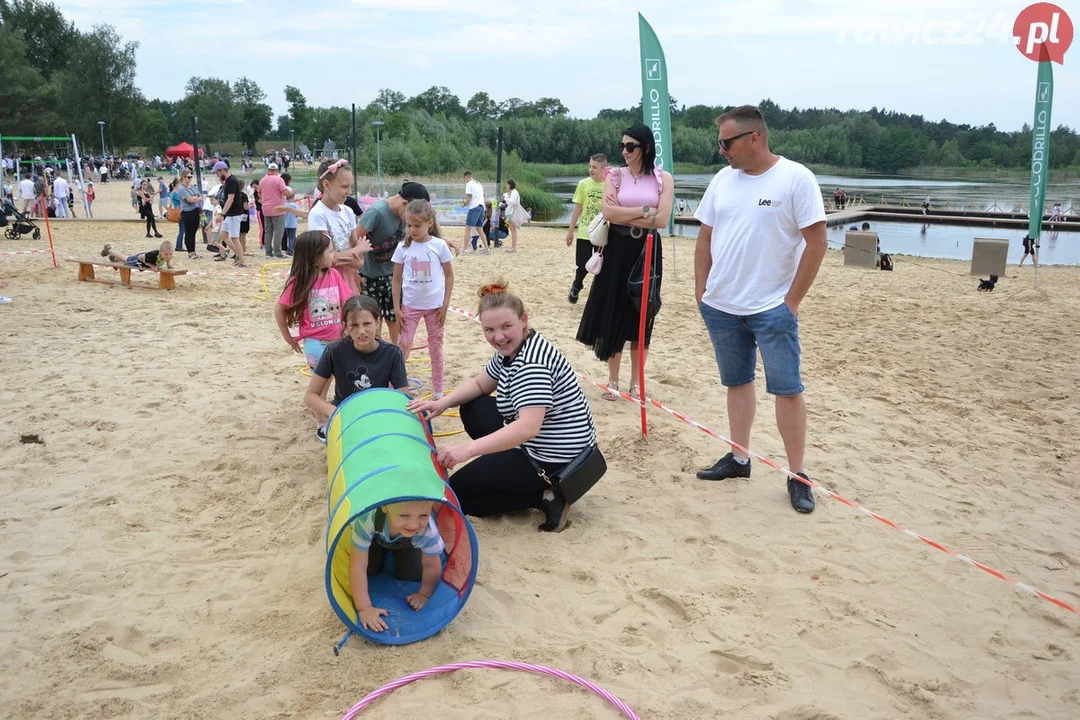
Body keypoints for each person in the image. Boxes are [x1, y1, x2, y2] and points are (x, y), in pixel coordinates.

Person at [692, 104, 827, 515]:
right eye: (719, 143)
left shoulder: (796, 178)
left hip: (772, 307)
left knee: (787, 390)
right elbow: (704, 238)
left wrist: (791, 302)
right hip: (722, 304)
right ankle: (739, 459)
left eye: (726, 142)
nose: (721, 151)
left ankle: (798, 475)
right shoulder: (722, 180)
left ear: (754, 137)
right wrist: (702, 292)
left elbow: (817, 243)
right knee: (737, 383)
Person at [409, 281, 599, 533]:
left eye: (506, 327)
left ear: (523, 320)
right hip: (546, 439)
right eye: (489, 329)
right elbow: (480, 384)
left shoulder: (532, 366)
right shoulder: (517, 346)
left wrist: (467, 451)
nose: (498, 337)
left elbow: (527, 429)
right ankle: (504, 470)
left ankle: (546, 496)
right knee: (471, 406)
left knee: (459, 496)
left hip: (553, 458)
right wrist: (441, 403)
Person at [575, 123, 674, 402]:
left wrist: (625, 213)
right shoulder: (614, 176)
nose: (625, 151)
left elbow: (663, 219)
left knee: (642, 315)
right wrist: (644, 211)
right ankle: (614, 381)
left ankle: (636, 383)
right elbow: (608, 212)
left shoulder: (662, 178)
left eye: (631, 146)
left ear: (645, 148)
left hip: (648, 249)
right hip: (617, 248)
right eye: (622, 146)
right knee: (614, 311)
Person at [304, 294, 409, 440]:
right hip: (345, 413)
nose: (361, 331)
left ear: (378, 323)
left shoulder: (392, 353)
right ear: (345, 327)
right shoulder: (335, 351)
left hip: (378, 413)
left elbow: (402, 397)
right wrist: (334, 412)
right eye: (354, 325)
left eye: (367, 324)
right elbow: (310, 396)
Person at [346, 500, 445, 633]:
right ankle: (381, 551)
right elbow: (358, 566)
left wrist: (424, 594)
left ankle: (397, 548)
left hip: (407, 543)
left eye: (423, 515)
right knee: (371, 569)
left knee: (412, 575)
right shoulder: (367, 518)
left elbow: (431, 565)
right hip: (374, 539)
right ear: (385, 506)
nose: (413, 524)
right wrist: (364, 608)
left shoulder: (426, 530)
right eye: (404, 515)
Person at [355, 181, 433, 345]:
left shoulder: (405, 215)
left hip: (391, 276)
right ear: (405, 203)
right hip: (368, 276)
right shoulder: (377, 212)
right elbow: (354, 239)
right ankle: (375, 355)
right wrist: (354, 272)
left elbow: (424, 233)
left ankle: (396, 355)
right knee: (373, 319)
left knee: (395, 317)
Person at [392, 200, 454, 399]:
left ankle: (438, 390)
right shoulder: (403, 247)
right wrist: (397, 308)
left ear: (429, 223)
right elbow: (396, 279)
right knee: (403, 345)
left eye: (417, 225)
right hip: (409, 306)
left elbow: (449, 276)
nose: (412, 230)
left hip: (435, 307)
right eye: (409, 225)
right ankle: (396, 387)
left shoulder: (439, 245)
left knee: (435, 347)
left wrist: (445, 305)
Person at [275, 229, 355, 375]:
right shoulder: (298, 282)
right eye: (330, 251)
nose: (334, 254)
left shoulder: (334, 275)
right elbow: (280, 309)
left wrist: (350, 327)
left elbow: (347, 302)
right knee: (320, 384)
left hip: (340, 340)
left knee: (344, 380)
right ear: (317, 257)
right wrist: (287, 336)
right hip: (315, 343)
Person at [306, 159, 371, 295]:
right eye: (344, 186)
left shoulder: (347, 211)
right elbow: (325, 258)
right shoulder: (318, 214)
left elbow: (355, 251)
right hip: (327, 279)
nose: (349, 191)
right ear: (327, 185)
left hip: (347, 276)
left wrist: (357, 264)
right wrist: (359, 249)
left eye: (350, 186)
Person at [564, 154, 607, 304]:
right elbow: (577, 209)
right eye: (590, 166)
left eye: (594, 167)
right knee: (582, 265)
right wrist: (570, 231)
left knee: (601, 266)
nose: (591, 169)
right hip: (584, 232)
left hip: (602, 233)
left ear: (603, 168)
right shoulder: (583, 184)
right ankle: (577, 286)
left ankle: (597, 295)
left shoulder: (609, 185)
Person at [213, 161, 247, 267]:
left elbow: (230, 199)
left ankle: (242, 261)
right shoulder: (228, 181)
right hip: (230, 213)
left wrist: (222, 214)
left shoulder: (231, 181)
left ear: (222, 170)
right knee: (223, 234)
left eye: (217, 172)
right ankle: (237, 254)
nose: (216, 174)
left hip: (234, 213)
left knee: (235, 238)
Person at [259, 163, 293, 258]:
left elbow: (260, 194)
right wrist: (292, 192)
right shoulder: (279, 179)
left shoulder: (262, 180)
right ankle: (277, 251)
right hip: (278, 208)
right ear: (277, 170)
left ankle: (268, 251)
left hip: (266, 208)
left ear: (268, 170)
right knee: (278, 231)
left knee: (268, 231)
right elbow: (285, 192)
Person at [176, 171, 203, 260]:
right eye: (188, 177)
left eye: (191, 177)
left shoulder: (192, 187)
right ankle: (190, 252)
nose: (190, 178)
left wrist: (194, 198)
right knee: (189, 232)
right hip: (187, 212)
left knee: (194, 231)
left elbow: (200, 196)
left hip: (195, 210)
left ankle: (193, 251)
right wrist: (195, 198)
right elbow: (189, 200)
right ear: (183, 177)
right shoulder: (181, 188)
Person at [461, 171, 489, 254]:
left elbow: (469, 197)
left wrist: (464, 204)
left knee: (467, 228)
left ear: (467, 177)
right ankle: (486, 248)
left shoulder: (469, 184)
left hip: (474, 207)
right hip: (481, 207)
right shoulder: (478, 183)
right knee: (480, 229)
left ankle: (464, 249)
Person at [101, 239, 174, 270]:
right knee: (125, 259)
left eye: (170, 254)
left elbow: (169, 259)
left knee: (124, 259)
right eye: (166, 254)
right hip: (139, 259)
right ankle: (109, 249)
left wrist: (169, 264)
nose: (168, 256)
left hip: (144, 260)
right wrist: (152, 266)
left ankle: (113, 258)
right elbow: (140, 257)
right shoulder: (153, 255)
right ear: (160, 251)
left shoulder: (168, 256)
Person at [503, 179, 528, 253]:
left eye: (507, 184)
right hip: (510, 212)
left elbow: (512, 202)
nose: (506, 186)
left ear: (510, 185)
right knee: (513, 230)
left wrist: (507, 199)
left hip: (511, 212)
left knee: (513, 230)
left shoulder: (513, 192)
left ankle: (513, 247)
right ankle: (513, 246)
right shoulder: (512, 192)